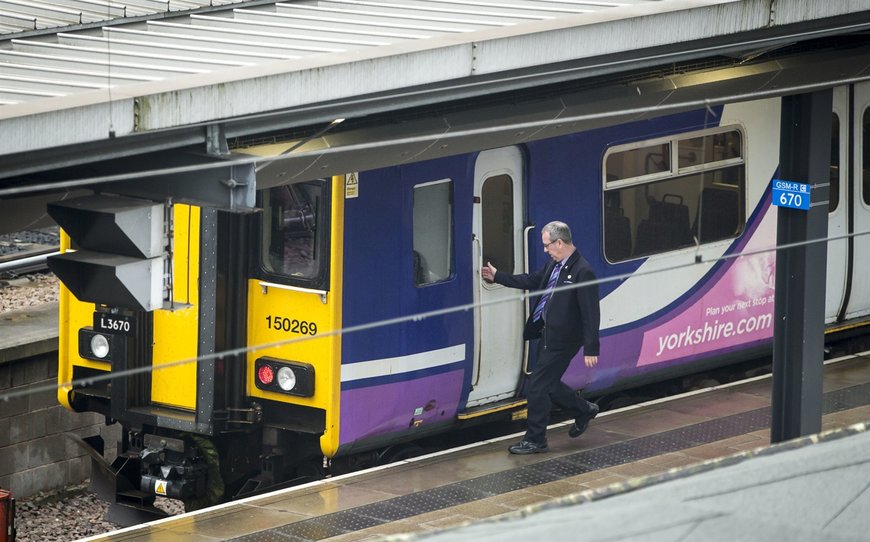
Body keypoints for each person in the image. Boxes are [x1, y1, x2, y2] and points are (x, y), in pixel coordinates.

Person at [481, 221, 600, 454]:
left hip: (564, 341)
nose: (545, 250)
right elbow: (532, 281)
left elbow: (590, 312)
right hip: (546, 334)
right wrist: (498, 276)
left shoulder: (582, 271)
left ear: (559, 242)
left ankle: (536, 440)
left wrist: (591, 348)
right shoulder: (554, 265)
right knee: (548, 384)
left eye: (547, 245)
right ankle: (584, 410)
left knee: (537, 387)